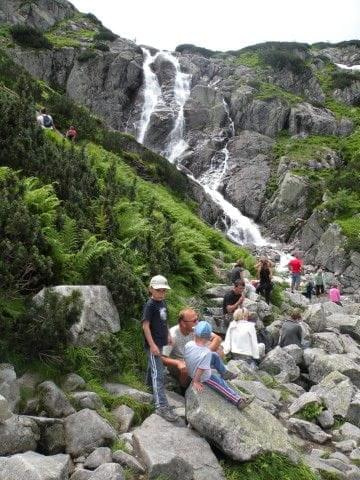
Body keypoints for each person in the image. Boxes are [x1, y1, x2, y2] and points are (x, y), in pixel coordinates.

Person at [184, 321, 254, 410]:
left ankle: (224, 372)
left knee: (215, 355)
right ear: (209, 338)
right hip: (203, 376)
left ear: (194, 333)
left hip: (192, 368)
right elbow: (201, 369)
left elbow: (187, 358)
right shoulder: (206, 353)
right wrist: (196, 381)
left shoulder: (189, 344)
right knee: (219, 383)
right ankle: (238, 400)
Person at [142, 275, 179, 422]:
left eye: (163, 290)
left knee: (153, 369)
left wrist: (169, 334)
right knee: (159, 374)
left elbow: (165, 320)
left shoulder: (162, 302)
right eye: (158, 290)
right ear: (151, 289)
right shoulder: (150, 305)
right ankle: (161, 406)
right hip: (154, 345)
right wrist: (152, 345)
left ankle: (148, 391)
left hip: (161, 341)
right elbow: (145, 325)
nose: (161, 293)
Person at [162, 308, 222, 388]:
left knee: (219, 350)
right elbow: (162, 358)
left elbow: (217, 338)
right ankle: (185, 390)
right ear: (183, 323)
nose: (197, 322)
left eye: (197, 319)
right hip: (180, 364)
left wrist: (205, 353)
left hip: (195, 358)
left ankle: (211, 376)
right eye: (194, 321)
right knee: (185, 368)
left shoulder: (197, 328)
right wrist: (178, 363)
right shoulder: (173, 335)